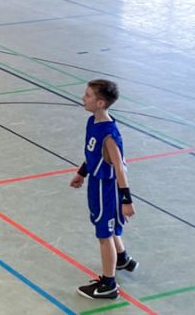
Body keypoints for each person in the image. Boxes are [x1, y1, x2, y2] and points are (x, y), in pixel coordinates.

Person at [70, 79, 137, 300]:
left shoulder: (108, 134)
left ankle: (109, 285)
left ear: (100, 103)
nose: (83, 98)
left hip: (106, 188)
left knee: (104, 234)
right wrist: (82, 172)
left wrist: (126, 200)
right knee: (107, 227)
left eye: (88, 95)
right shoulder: (93, 122)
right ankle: (122, 258)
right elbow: (92, 154)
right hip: (95, 183)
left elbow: (119, 167)